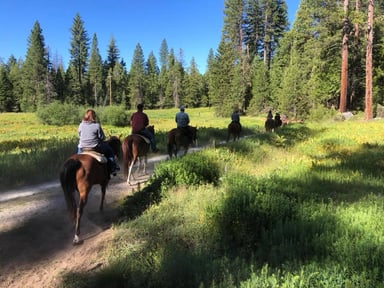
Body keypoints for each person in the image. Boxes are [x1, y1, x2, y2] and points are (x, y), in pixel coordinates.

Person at [77, 109, 119, 175]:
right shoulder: (97, 125)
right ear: (93, 117)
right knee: (110, 151)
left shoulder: (80, 125)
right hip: (95, 147)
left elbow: (79, 136)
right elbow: (102, 138)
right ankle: (112, 168)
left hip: (82, 148)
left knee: (77, 157)